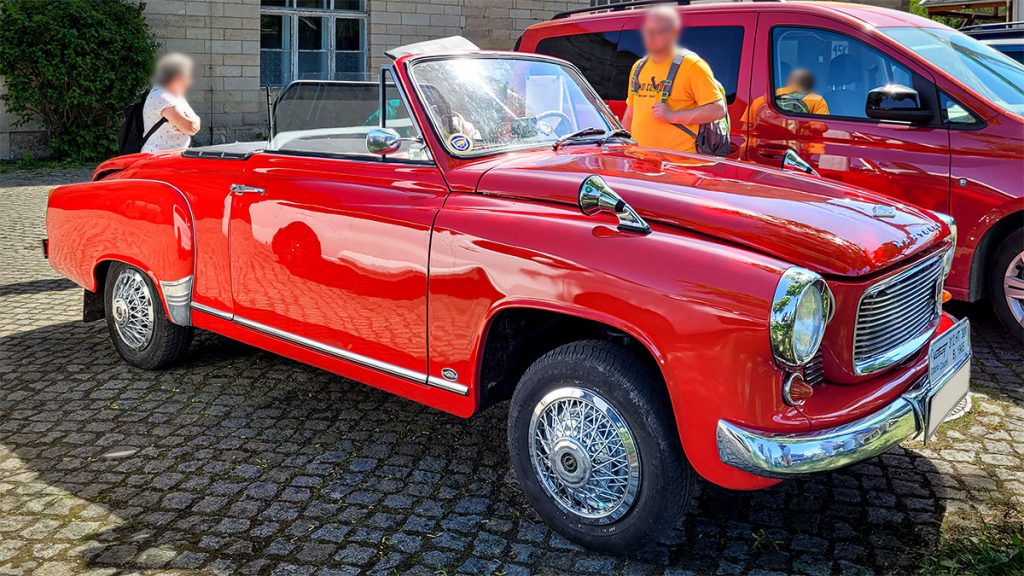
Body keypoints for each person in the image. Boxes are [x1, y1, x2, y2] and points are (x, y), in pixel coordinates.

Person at [622, 6, 727, 153]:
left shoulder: (692, 65)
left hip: (678, 165)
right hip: (641, 163)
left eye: (659, 31)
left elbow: (718, 110)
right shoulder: (639, 66)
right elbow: (630, 114)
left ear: (674, 33)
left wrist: (672, 116)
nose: (652, 37)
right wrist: (623, 149)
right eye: (649, 31)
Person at [142, 53, 200, 152]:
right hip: (158, 158)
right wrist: (195, 120)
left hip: (172, 157)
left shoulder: (175, 95)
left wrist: (193, 121)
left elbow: (192, 125)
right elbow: (190, 127)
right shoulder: (162, 96)